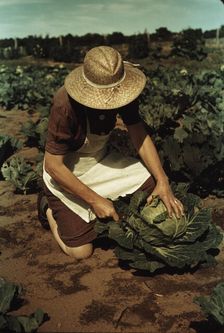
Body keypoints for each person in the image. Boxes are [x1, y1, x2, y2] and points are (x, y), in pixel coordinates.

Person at [38, 46, 184, 260]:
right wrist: (95, 200)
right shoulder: (64, 105)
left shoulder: (124, 91)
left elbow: (139, 135)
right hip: (66, 172)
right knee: (81, 252)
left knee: (152, 186)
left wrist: (163, 180)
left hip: (101, 160)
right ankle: (49, 209)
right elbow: (53, 166)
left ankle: (96, 207)